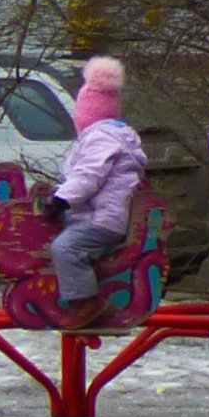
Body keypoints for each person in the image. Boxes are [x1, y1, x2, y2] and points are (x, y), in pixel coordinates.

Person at [50, 53, 147, 326]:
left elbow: (89, 175)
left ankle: (86, 302)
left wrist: (62, 199)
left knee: (65, 247)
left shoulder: (101, 137)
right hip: (102, 214)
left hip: (102, 219)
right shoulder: (112, 136)